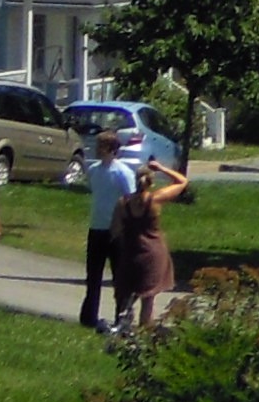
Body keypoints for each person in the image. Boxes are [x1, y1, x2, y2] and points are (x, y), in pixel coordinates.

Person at [112, 155, 192, 334]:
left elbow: (115, 230)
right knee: (147, 299)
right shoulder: (155, 200)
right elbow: (182, 181)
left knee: (125, 295)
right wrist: (161, 167)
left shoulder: (123, 202)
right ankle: (143, 333)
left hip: (130, 253)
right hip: (152, 253)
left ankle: (121, 328)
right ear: (151, 182)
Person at [80, 128, 142, 331]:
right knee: (93, 275)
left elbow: (131, 200)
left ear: (113, 150)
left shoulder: (122, 172)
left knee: (120, 277)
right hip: (96, 227)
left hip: (117, 231)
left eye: (102, 146)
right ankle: (89, 316)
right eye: (98, 146)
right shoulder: (94, 170)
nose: (98, 150)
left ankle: (121, 318)